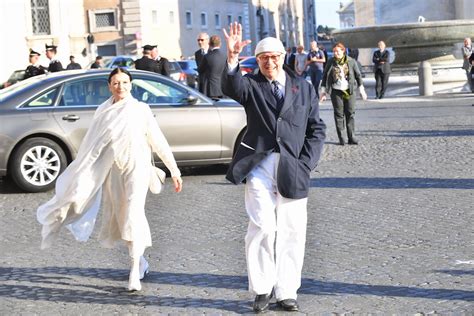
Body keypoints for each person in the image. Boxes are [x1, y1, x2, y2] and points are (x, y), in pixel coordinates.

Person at [36, 67, 183, 292]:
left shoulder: (140, 109)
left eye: (124, 82)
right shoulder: (102, 111)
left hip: (137, 167)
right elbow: (91, 146)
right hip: (112, 171)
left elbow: (158, 141)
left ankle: (134, 270)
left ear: (131, 85)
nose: (120, 87)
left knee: (133, 213)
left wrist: (174, 170)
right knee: (121, 216)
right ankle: (141, 260)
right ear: (109, 86)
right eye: (115, 83)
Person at [221, 22, 326, 313]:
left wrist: (306, 163)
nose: (270, 61)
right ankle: (262, 289)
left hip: (293, 167)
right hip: (258, 165)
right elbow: (231, 85)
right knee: (263, 227)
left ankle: (287, 291)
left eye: (274, 56)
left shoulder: (303, 88)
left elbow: (316, 129)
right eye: (264, 57)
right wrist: (232, 59)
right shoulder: (251, 85)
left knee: (293, 231)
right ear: (257, 60)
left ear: (283, 57)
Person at [320, 42, 367, 146]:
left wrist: (361, 90)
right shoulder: (331, 62)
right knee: (339, 115)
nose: (335, 53)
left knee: (350, 114)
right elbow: (324, 76)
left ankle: (351, 137)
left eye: (337, 51)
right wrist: (323, 92)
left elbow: (358, 76)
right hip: (336, 92)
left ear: (343, 51)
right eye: (334, 52)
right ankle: (341, 138)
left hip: (349, 91)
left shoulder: (351, 61)